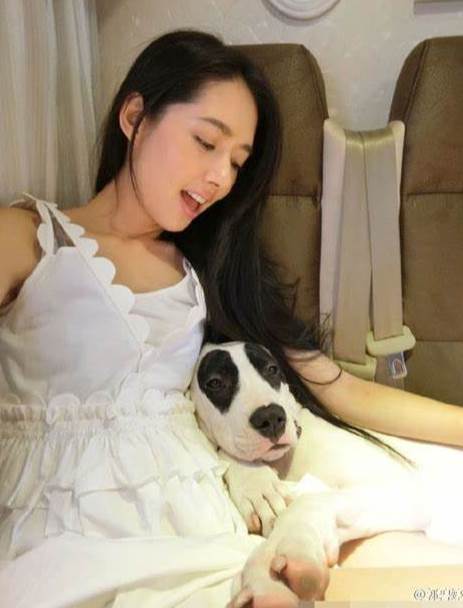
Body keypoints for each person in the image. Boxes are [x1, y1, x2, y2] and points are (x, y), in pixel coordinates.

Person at [1, 29, 463, 608]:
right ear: (134, 116)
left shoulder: (212, 269)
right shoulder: (30, 236)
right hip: (68, 540)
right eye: (205, 142)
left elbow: (341, 390)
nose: (220, 177)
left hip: (214, 525)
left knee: (435, 581)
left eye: (237, 163)